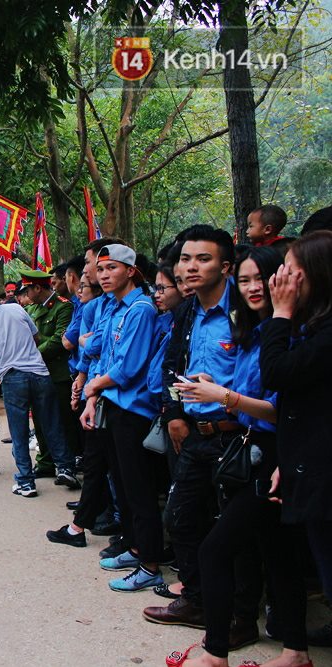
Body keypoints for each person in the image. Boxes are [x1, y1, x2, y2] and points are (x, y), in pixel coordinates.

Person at [163, 246, 303, 667]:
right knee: (277, 551)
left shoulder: (290, 331)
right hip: (254, 449)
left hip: (281, 453)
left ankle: (214, 651)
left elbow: (281, 407)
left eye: (263, 278)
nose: (255, 287)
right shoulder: (255, 333)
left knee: (219, 549)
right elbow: (247, 399)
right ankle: (295, 651)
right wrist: (210, 390)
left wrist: (225, 396)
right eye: (245, 281)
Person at [148, 226, 238, 630]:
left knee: (234, 531)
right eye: (186, 259)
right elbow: (172, 366)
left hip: (237, 436)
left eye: (203, 259)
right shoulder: (185, 311)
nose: (191, 267)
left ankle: (239, 615)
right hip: (193, 436)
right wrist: (174, 415)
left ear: (226, 265)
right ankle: (197, 600)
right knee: (181, 518)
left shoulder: (247, 311)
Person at [260, 231, 332, 664]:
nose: (278, 280)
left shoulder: (324, 334)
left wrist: (280, 314)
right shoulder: (315, 327)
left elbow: (277, 373)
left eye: (290, 271)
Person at [75, 244, 164, 593]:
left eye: (112, 268)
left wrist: (94, 385)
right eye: (101, 269)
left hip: (132, 410)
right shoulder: (113, 307)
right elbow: (95, 347)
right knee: (123, 487)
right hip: (110, 403)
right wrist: (93, 396)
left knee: (139, 489)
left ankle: (151, 563)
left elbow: (127, 367)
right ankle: (135, 548)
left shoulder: (141, 309)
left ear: (131, 271)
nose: (104, 274)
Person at [0, 279, 80, 498]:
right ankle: (66, 468)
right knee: (51, 423)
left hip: (12, 378)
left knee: (19, 431)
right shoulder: (17, 310)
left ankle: (26, 482)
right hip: (40, 373)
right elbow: (36, 337)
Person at [20, 269, 77, 476]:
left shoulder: (63, 307)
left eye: (27, 288)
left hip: (58, 373)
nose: (25, 293)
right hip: (36, 372)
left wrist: (32, 354)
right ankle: (45, 462)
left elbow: (58, 342)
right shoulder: (32, 310)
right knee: (40, 420)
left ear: (37, 288)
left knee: (62, 420)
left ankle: (68, 463)